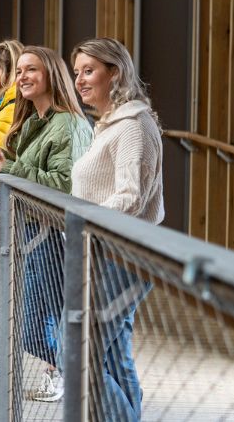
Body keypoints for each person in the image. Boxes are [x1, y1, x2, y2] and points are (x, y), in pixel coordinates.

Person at [0, 46, 93, 402]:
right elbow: (29, 168)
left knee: (31, 326)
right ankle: (64, 373)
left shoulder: (69, 123)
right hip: (33, 228)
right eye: (20, 71)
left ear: (51, 77)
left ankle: (76, 373)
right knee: (42, 315)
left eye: (32, 70)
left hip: (55, 232)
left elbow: (64, 183)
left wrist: (9, 168)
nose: (22, 77)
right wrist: (1, 157)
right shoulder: (34, 121)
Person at [70, 38, 162, 421]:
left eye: (88, 71)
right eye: (76, 72)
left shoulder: (131, 126)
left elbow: (130, 196)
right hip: (105, 250)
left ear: (115, 73)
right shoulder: (107, 125)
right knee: (111, 349)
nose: (79, 80)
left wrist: (79, 221)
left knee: (80, 354)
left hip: (121, 255)